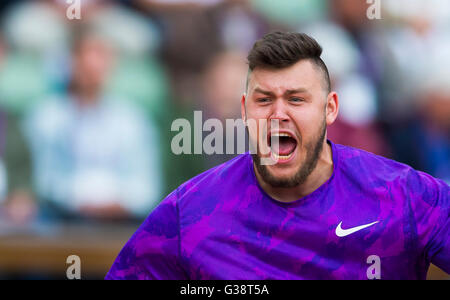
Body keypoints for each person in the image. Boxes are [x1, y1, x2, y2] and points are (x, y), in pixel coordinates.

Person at [106, 32, 449, 279]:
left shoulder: (405, 195)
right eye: (264, 99)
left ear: (330, 109)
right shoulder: (188, 211)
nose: (278, 113)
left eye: (297, 99)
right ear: (244, 110)